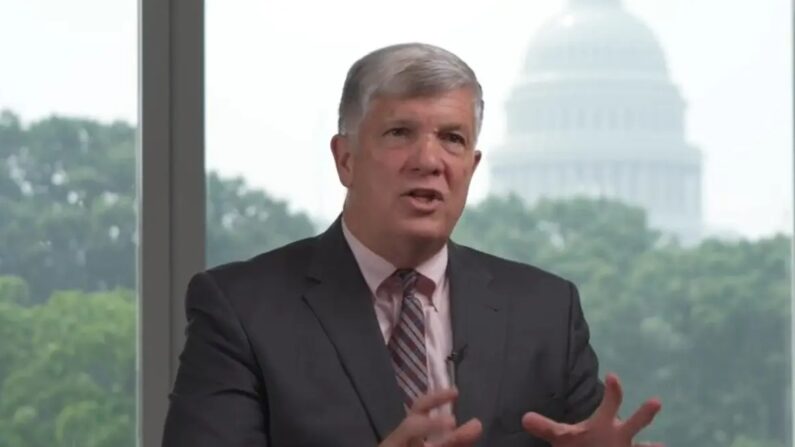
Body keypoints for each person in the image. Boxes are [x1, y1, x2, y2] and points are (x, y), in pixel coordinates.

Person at [162, 42, 662, 447]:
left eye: (452, 138)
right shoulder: (242, 310)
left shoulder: (546, 311)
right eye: (400, 132)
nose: (429, 160)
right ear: (346, 160)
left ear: (473, 165)